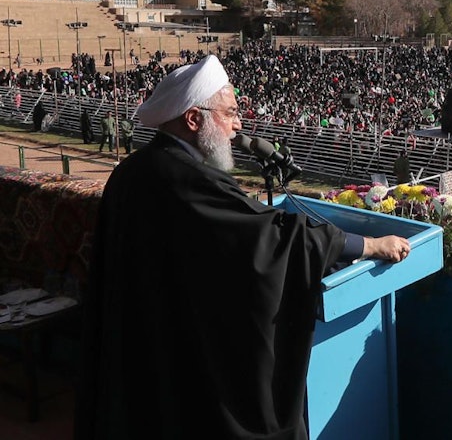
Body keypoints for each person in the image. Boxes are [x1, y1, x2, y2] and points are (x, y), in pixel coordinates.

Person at [75, 55, 412, 439]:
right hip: (183, 361)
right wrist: (368, 244)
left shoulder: (133, 170)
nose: (238, 126)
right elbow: (274, 239)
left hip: (146, 347)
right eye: (231, 112)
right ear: (193, 119)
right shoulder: (187, 181)